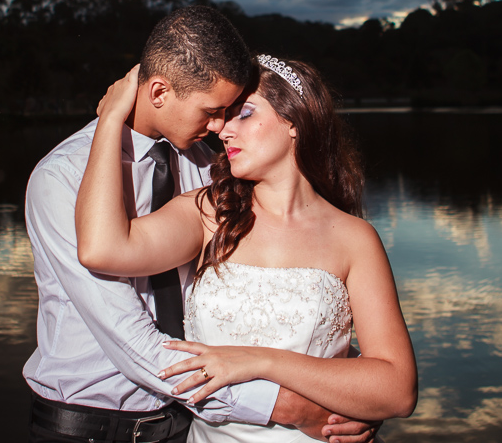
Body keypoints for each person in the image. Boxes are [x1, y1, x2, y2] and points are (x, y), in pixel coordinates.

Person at [23, 6, 380, 443]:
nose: (219, 127)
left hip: (188, 423)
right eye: (212, 110)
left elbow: (264, 286)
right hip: (91, 428)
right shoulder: (61, 179)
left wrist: (351, 386)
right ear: (158, 92)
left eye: (231, 112)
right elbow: (133, 343)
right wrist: (291, 407)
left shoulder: (206, 169)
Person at [75, 54, 418, 442]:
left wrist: (261, 361)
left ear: (293, 122)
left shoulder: (355, 239)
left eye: (244, 114)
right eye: (224, 116)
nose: (222, 131)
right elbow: (100, 248)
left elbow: (398, 390)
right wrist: (109, 122)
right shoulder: (207, 215)